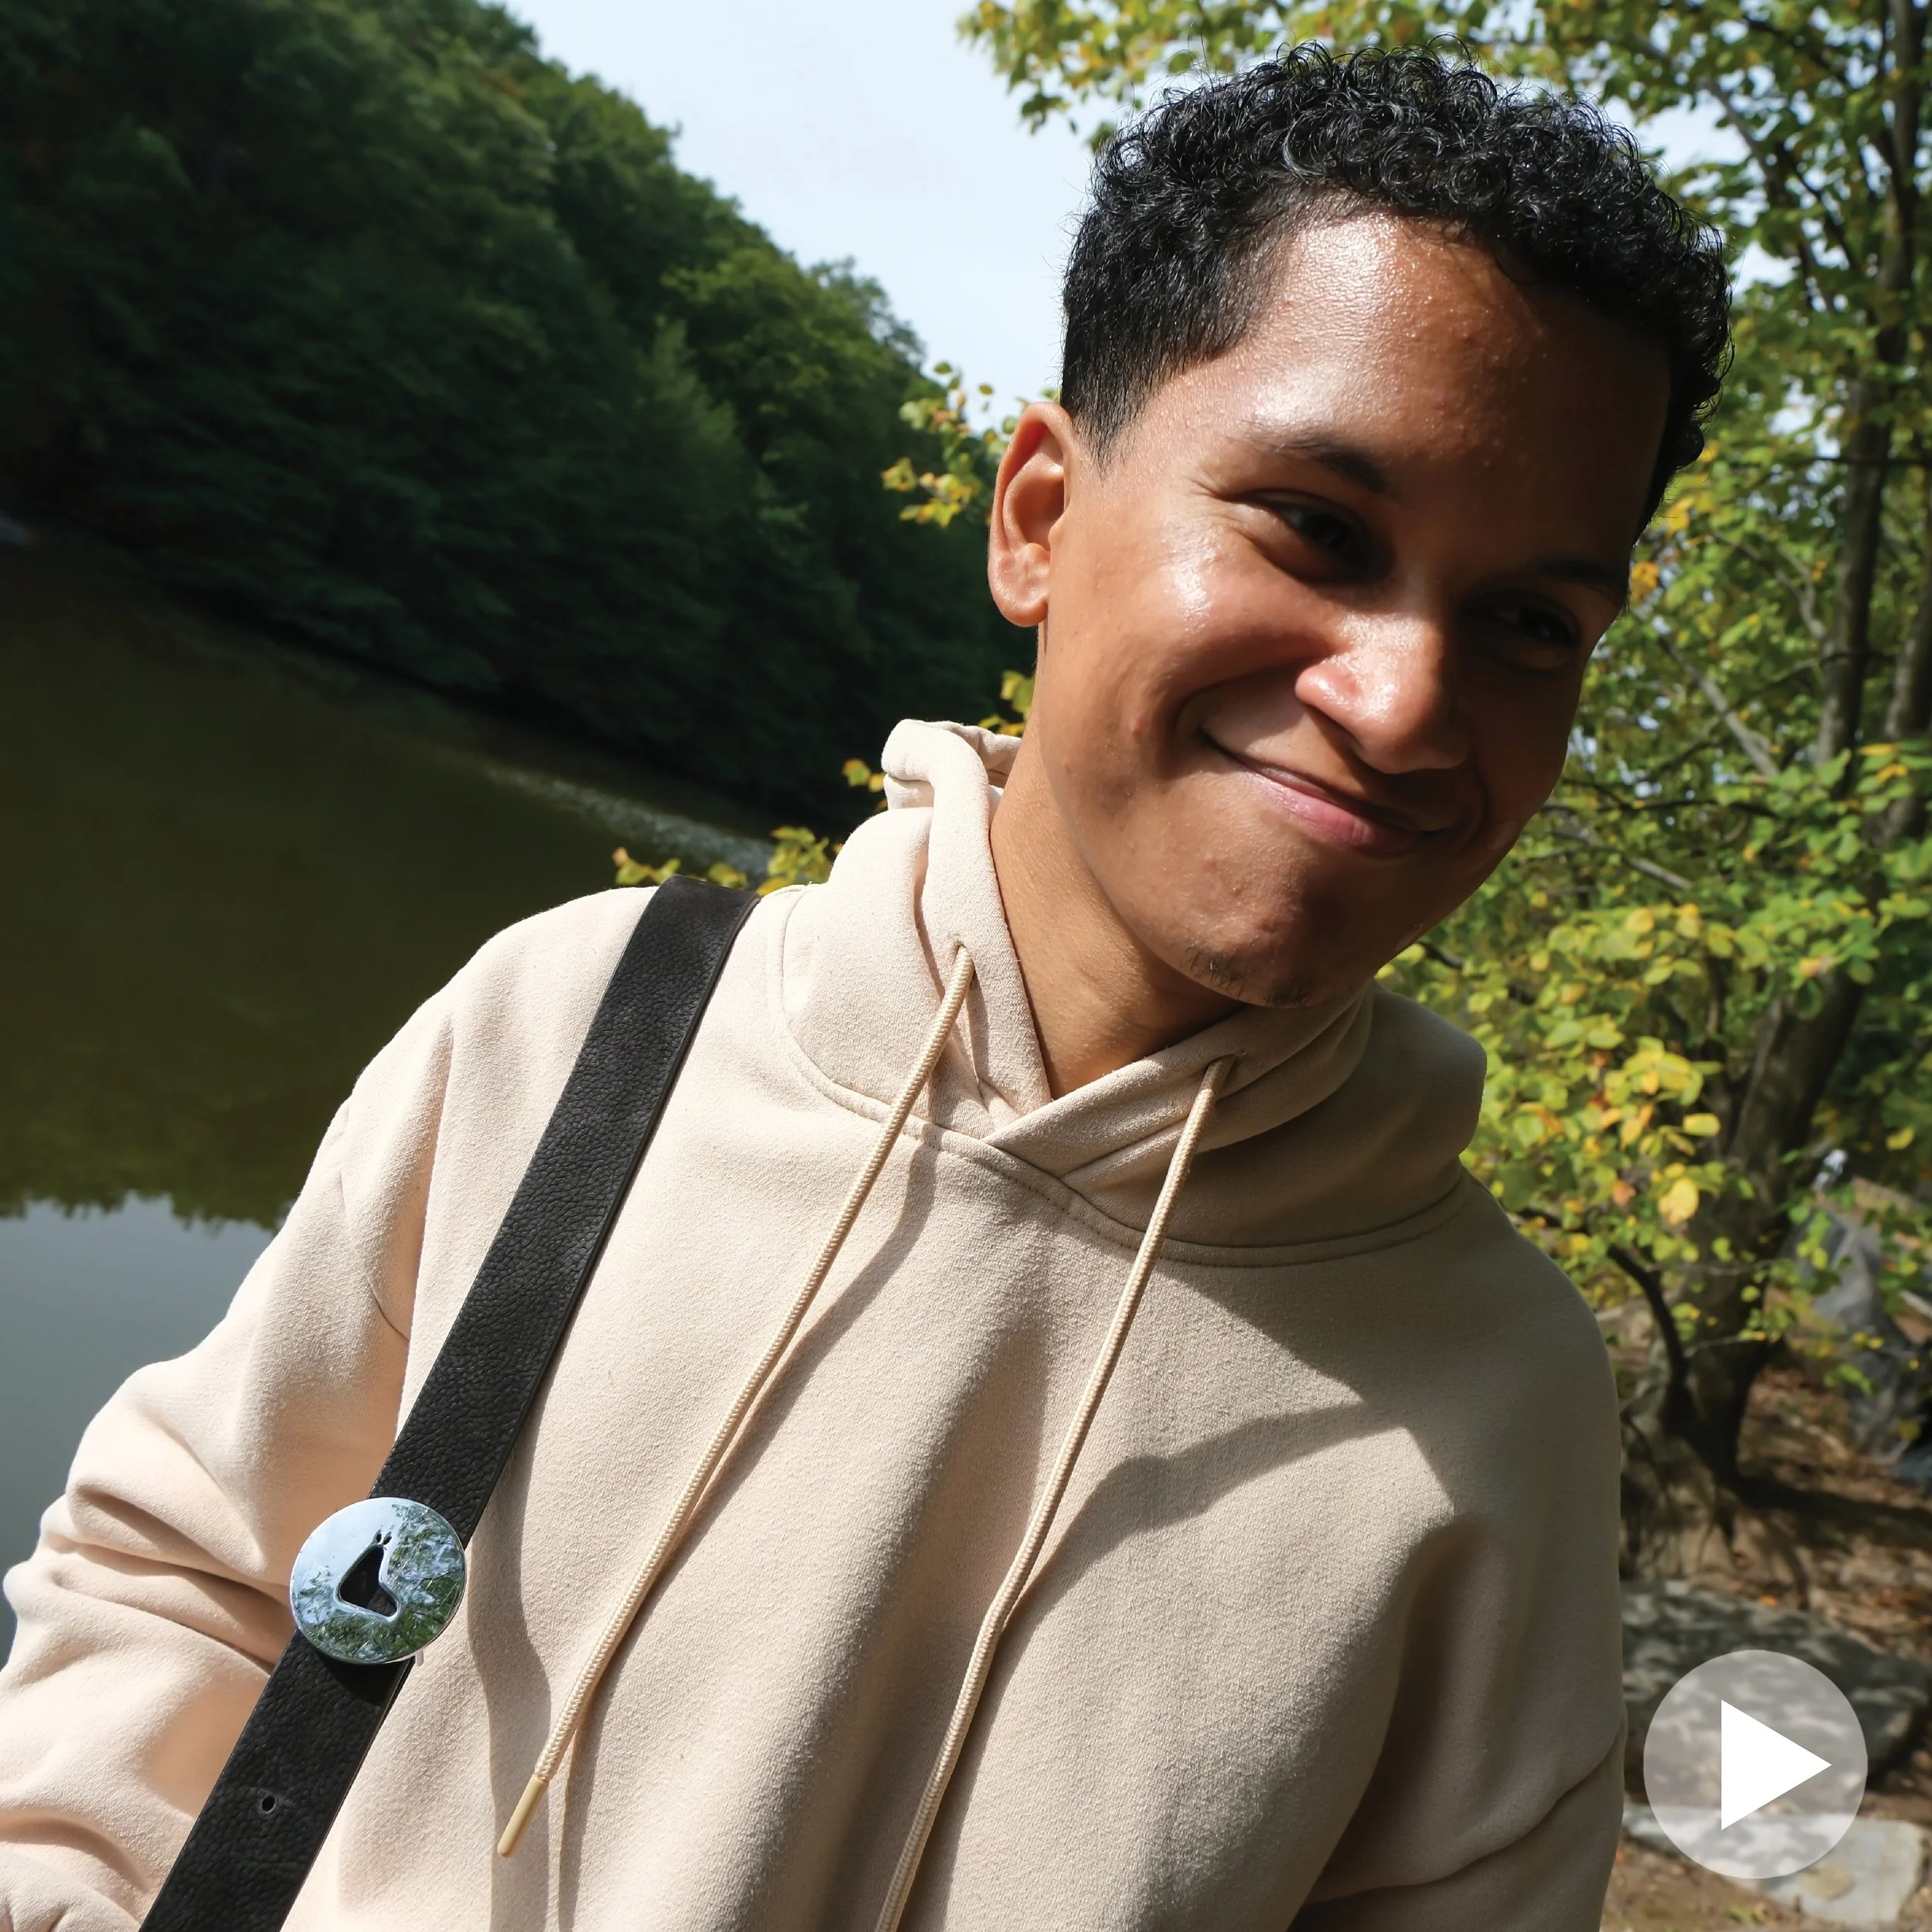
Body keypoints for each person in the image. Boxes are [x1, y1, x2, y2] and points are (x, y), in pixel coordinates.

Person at [0, 43, 1728, 1932]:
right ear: (1041, 518)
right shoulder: (579, 1029)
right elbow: (187, 1573)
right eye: (1315, 526)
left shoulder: (1495, 1390)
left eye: (1527, 625)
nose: (1401, 698)